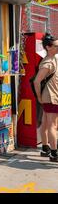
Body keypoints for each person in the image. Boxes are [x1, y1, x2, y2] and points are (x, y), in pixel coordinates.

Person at [34, 33, 58, 162]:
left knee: (45, 122)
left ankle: (44, 148)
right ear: (48, 48)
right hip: (51, 97)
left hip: (51, 96)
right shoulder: (47, 63)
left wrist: (51, 38)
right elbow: (36, 81)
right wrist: (39, 97)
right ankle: (54, 153)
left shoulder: (54, 57)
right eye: (55, 46)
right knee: (53, 125)